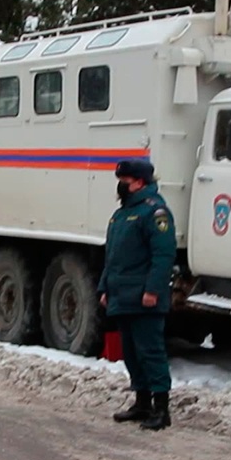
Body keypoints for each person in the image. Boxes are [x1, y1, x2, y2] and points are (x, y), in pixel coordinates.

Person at [97, 158, 176, 431]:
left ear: (140, 182)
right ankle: (142, 403)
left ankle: (161, 408)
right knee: (131, 353)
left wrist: (153, 290)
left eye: (125, 181)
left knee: (150, 352)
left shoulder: (155, 213)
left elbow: (163, 256)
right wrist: (104, 288)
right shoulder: (121, 215)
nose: (120, 186)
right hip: (122, 296)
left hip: (144, 298)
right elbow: (112, 257)